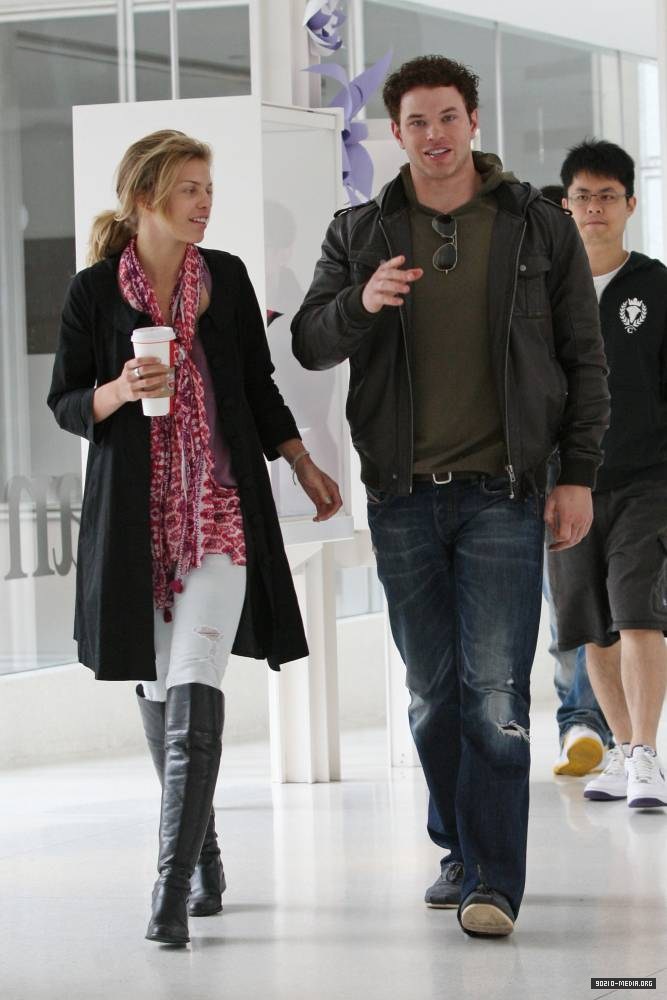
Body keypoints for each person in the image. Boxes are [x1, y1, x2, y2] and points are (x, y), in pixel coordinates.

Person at [292, 55, 609, 937]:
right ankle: (459, 848)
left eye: (447, 118)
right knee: (432, 692)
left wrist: (576, 474)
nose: (433, 136)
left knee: (494, 693)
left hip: (504, 492)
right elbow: (311, 342)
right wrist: (360, 301)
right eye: (416, 123)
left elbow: (583, 360)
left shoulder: (536, 226)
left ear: (473, 121)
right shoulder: (359, 231)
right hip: (400, 495)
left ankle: (493, 881)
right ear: (395, 133)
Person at [48, 130, 342, 946]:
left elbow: (257, 384)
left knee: (195, 675)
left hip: (218, 514)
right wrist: (116, 390)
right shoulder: (93, 292)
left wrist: (301, 462)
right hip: (133, 524)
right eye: (188, 188)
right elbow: (65, 401)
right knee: (155, 686)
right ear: (145, 197)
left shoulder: (228, 279)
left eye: (208, 187)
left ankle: (168, 890)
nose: (204, 202)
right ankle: (204, 853)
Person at [549, 139, 667, 808]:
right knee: (589, 623)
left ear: (629, 204)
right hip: (567, 485)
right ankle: (621, 748)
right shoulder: (544, 291)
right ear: (566, 206)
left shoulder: (655, 287)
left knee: (638, 613)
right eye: (583, 196)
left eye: (607, 196)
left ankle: (646, 754)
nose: (594, 207)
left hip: (646, 481)